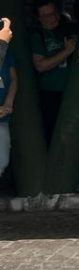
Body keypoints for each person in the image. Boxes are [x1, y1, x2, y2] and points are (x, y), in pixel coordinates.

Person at [30, 0, 77, 142]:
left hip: (71, 90)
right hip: (50, 92)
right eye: (47, 15)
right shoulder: (37, 35)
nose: (53, 18)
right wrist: (67, 52)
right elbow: (41, 65)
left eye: (54, 13)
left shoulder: (67, 29)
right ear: (39, 18)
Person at [0, 30, 16, 181]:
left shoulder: (5, 51)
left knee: (2, 160)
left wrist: (9, 102)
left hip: (2, 116)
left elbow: (13, 79)